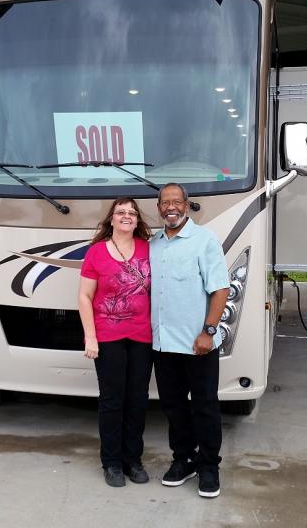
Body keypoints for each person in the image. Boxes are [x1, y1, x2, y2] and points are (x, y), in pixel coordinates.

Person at [150, 183, 230, 498]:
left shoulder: (204, 241)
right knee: (173, 408)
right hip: (162, 344)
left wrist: (208, 331)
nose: (170, 206)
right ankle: (182, 460)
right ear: (159, 208)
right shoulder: (153, 244)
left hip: (198, 345)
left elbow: (220, 288)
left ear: (187, 204)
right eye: (164, 202)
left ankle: (209, 466)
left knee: (205, 407)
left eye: (176, 201)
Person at [78, 197, 153, 488]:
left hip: (142, 337)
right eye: (121, 212)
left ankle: (133, 460)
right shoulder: (96, 253)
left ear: (137, 221)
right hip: (107, 338)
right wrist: (90, 336)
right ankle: (111, 463)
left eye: (132, 213)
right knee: (112, 401)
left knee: (137, 400)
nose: (126, 216)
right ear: (111, 219)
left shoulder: (149, 249)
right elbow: (84, 297)